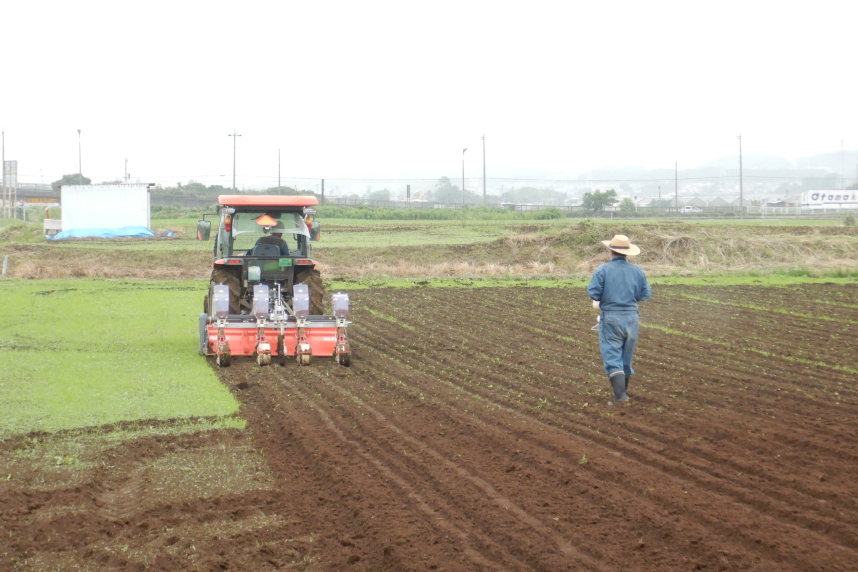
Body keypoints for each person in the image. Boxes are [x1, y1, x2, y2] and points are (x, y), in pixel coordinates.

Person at [587, 234, 652, 404]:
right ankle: (624, 394)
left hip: (611, 318)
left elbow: (593, 292)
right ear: (627, 253)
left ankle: (620, 397)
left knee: (612, 356)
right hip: (632, 319)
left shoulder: (603, 270)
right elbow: (645, 295)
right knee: (626, 357)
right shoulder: (637, 270)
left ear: (611, 251)